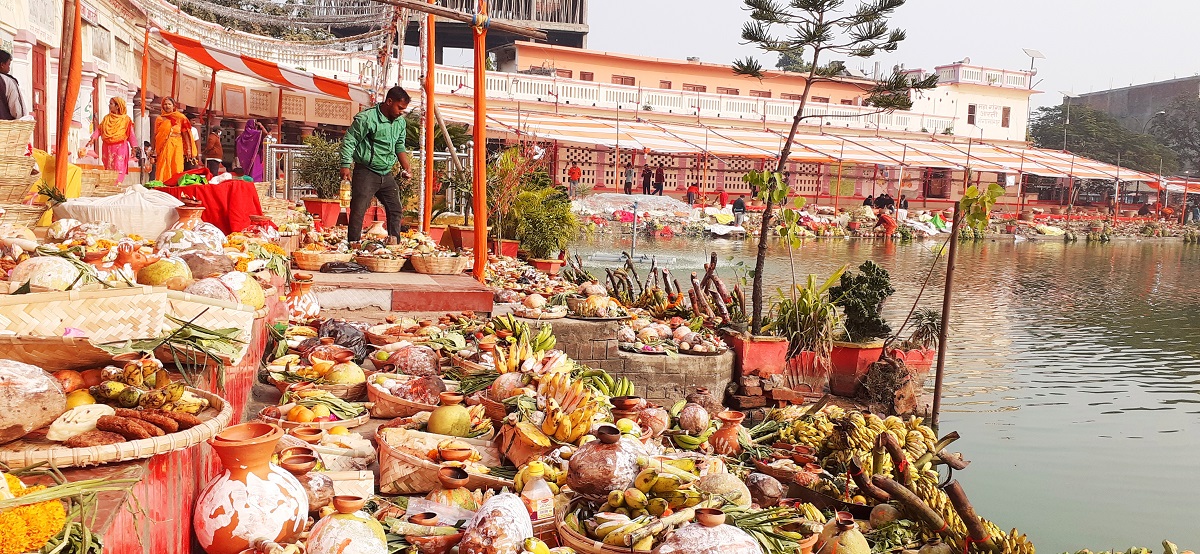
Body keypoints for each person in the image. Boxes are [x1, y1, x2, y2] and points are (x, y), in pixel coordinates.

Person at [339, 86, 413, 243]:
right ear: (389, 101)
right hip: (366, 172)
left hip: (386, 174)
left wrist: (407, 167)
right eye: (399, 108)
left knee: (395, 209)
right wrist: (345, 165)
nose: (401, 112)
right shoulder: (367, 118)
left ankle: (394, 244)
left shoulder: (400, 122)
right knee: (358, 210)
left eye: (404, 110)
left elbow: (399, 146)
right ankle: (354, 246)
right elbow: (349, 141)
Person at [84, 97, 136, 182]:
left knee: (118, 167)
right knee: (108, 168)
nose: (109, 105)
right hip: (107, 147)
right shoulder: (106, 118)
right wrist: (93, 138)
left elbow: (131, 135)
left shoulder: (126, 120)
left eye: (111, 104)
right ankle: (110, 185)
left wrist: (134, 148)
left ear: (117, 106)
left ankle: (116, 185)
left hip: (120, 147)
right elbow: (99, 129)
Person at [153, 97, 196, 182]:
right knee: (163, 164)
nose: (167, 106)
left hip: (177, 145)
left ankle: (174, 183)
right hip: (163, 146)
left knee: (176, 164)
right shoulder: (159, 118)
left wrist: (188, 149)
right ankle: (163, 183)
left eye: (169, 104)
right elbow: (156, 135)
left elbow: (185, 133)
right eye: (165, 104)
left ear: (173, 106)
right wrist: (154, 149)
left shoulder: (180, 118)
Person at [0, 50, 27, 120]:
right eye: (8, 64)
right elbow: (17, 111)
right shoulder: (8, 81)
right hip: (5, 127)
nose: (9, 68)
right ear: (2, 65)